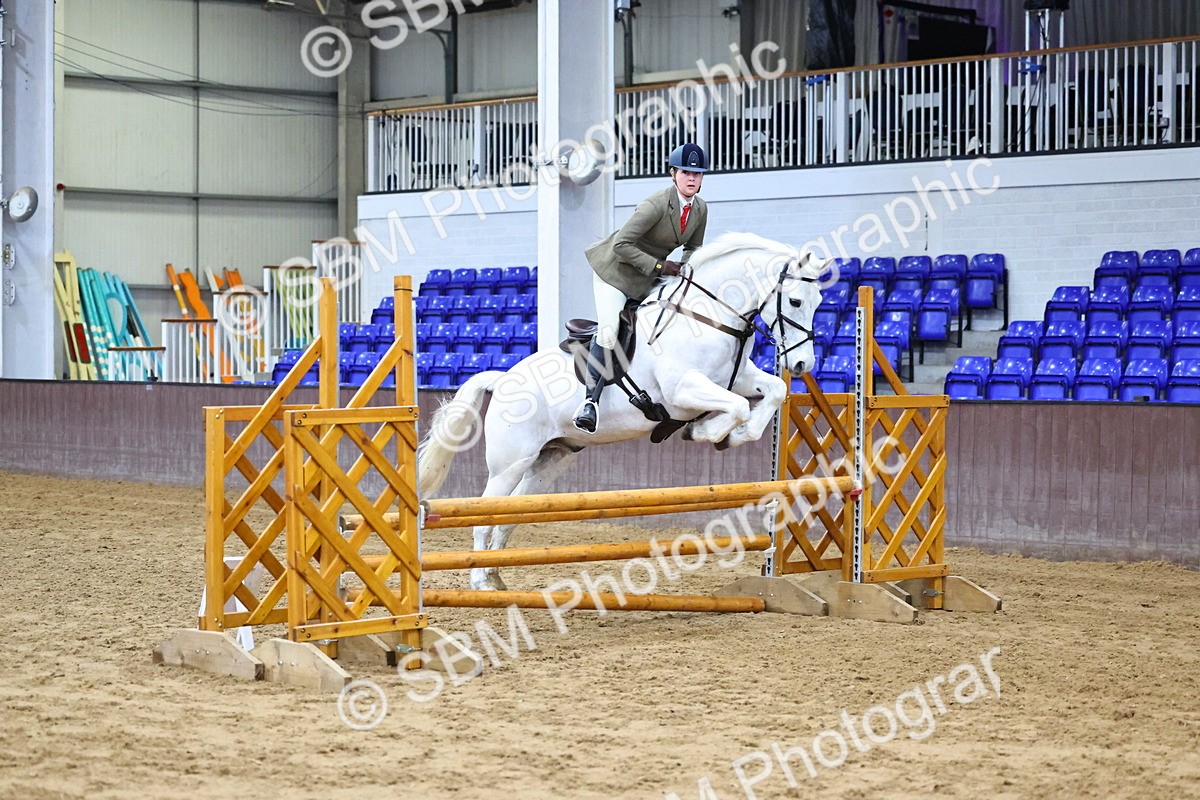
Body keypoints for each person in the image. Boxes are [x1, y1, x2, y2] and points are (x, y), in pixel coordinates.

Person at [573, 142, 710, 434]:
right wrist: (662, 268)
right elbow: (622, 245)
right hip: (616, 274)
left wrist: (684, 272)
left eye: (697, 174)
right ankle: (589, 403)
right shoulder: (655, 205)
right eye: (686, 172)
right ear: (673, 173)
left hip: (648, 278)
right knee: (609, 331)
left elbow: (693, 247)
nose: (692, 179)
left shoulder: (699, 209)